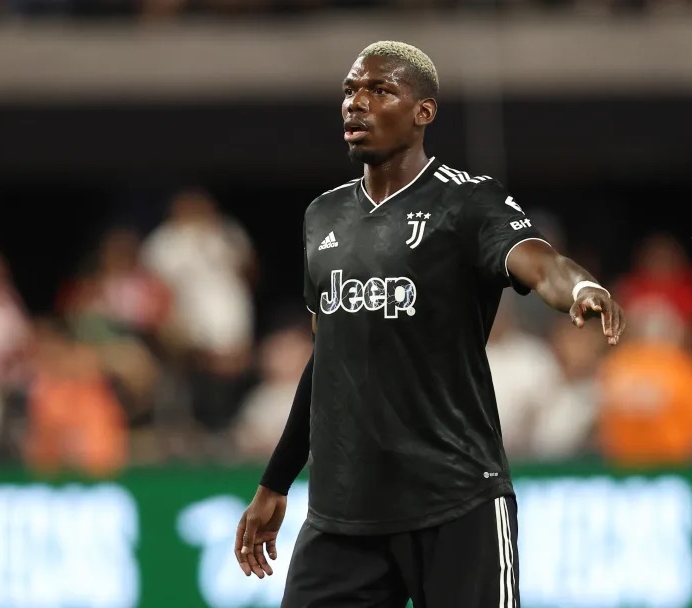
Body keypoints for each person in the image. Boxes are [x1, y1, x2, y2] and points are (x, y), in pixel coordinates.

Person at [233, 41, 627, 608]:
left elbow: (540, 262)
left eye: (380, 90)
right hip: (344, 517)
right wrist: (276, 481)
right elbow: (328, 360)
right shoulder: (323, 215)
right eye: (350, 90)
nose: (357, 103)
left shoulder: (467, 202)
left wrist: (581, 289)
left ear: (424, 111)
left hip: (456, 502)